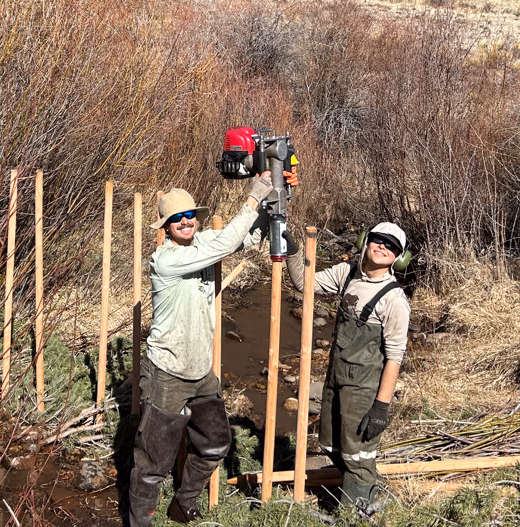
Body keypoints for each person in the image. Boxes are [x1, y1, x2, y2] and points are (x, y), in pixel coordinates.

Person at [128, 169, 295, 526]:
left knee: (216, 443)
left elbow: (247, 236)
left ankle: (183, 502)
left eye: (189, 215)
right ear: (166, 226)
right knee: (153, 462)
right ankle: (140, 521)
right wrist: (252, 197)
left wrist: (276, 198)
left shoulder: (203, 243)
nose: (185, 222)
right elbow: (227, 243)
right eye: (177, 218)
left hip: (201, 372)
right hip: (168, 371)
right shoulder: (166, 260)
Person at [290, 221, 411, 512]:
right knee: (331, 443)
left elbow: (394, 357)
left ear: (399, 257)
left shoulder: (394, 300)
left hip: (364, 388)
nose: (383, 247)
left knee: (358, 456)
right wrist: (293, 251)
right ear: (365, 241)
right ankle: (367, 492)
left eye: (392, 246)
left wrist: (380, 408)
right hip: (336, 377)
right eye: (379, 240)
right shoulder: (346, 273)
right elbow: (305, 283)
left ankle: (354, 514)